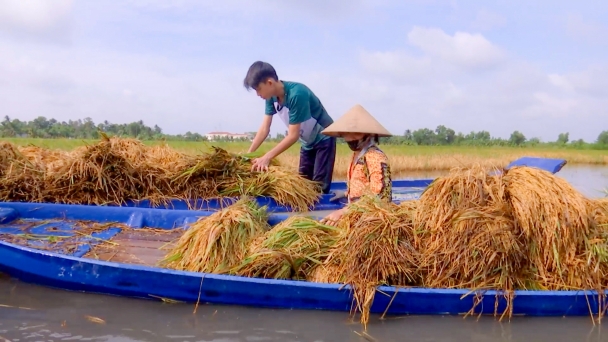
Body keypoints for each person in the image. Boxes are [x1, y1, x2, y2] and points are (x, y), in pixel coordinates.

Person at [243, 61, 337, 195]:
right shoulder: (271, 98)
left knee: (318, 188)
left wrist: (267, 157)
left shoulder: (296, 94)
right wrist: (248, 155)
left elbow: (293, 135)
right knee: (303, 185)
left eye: (258, 89)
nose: (258, 94)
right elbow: (264, 129)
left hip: (324, 138)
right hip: (307, 142)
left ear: (269, 83)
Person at [319, 104, 393, 226]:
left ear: (368, 134)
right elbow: (363, 185)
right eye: (347, 133)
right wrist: (346, 193)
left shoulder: (375, 157)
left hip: (372, 221)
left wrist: (343, 212)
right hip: (356, 215)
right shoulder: (357, 155)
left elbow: (380, 197)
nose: (350, 137)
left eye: (356, 133)